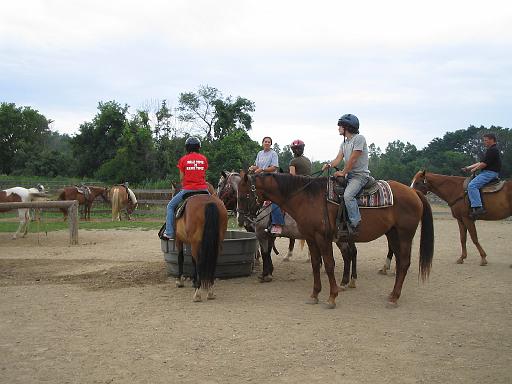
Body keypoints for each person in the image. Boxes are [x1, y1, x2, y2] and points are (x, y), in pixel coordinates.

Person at [321, 113, 370, 234]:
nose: (338, 128)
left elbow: (353, 159)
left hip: (360, 176)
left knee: (348, 196)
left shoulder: (359, 139)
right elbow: (338, 158)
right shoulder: (344, 144)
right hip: (349, 175)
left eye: (340, 126)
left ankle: (355, 223)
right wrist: (329, 165)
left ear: (347, 127)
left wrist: (343, 172)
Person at [163, 137, 209, 239]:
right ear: (198, 147)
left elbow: (182, 178)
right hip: (203, 190)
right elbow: (203, 173)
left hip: (188, 190)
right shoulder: (204, 159)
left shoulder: (183, 159)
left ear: (187, 148)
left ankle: (169, 232)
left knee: (170, 206)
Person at [248, 136, 285, 234]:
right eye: (265, 141)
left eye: (269, 142)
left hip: (271, 179)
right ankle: (250, 219)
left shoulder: (273, 154)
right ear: (262, 143)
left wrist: (262, 169)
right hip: (260, 180)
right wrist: (253, 167)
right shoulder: (260, 153)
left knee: (274, 199)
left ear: (271, 144)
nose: (267, 143)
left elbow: (274, 167)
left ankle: (277, 224)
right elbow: (257, 165)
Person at [462, 133, 502, 218]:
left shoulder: (492, 150)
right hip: (488, 172)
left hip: (489, 173)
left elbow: (483, 164)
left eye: (486, 140)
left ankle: (478, 207)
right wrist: (467, 168)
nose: (484, 142)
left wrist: (474, 169)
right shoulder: (491, 150)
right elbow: (480, 162)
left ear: (491, 140)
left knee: (472, 185)